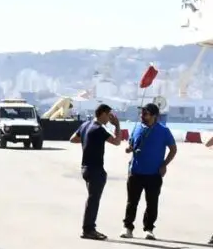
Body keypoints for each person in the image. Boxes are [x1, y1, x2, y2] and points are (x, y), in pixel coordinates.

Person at [122, 102, 175, 240]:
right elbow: (131, 144)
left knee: (152, 203)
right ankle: (128, 228)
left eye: (145, 114)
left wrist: (164, 164)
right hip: (135, 172)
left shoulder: (164, 131)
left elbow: (173, 149)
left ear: (154, 116)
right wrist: (129, 148)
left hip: (154, 174)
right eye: (141, 113)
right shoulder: (137, 127)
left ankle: (149, 229)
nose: (142, 116)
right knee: (132, 202)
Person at [70, 103, 121, 240]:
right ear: (103, 113)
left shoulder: (85, 125)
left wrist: (87, 140)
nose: (110, 119)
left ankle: (89, 228)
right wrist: (117, 125)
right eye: (109, 115)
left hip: (85, 168)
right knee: (93, 200)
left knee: (91, 198)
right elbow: (117, 142)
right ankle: (88, 229)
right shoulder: (99, 129)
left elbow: (73, 139)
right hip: (95, 169)